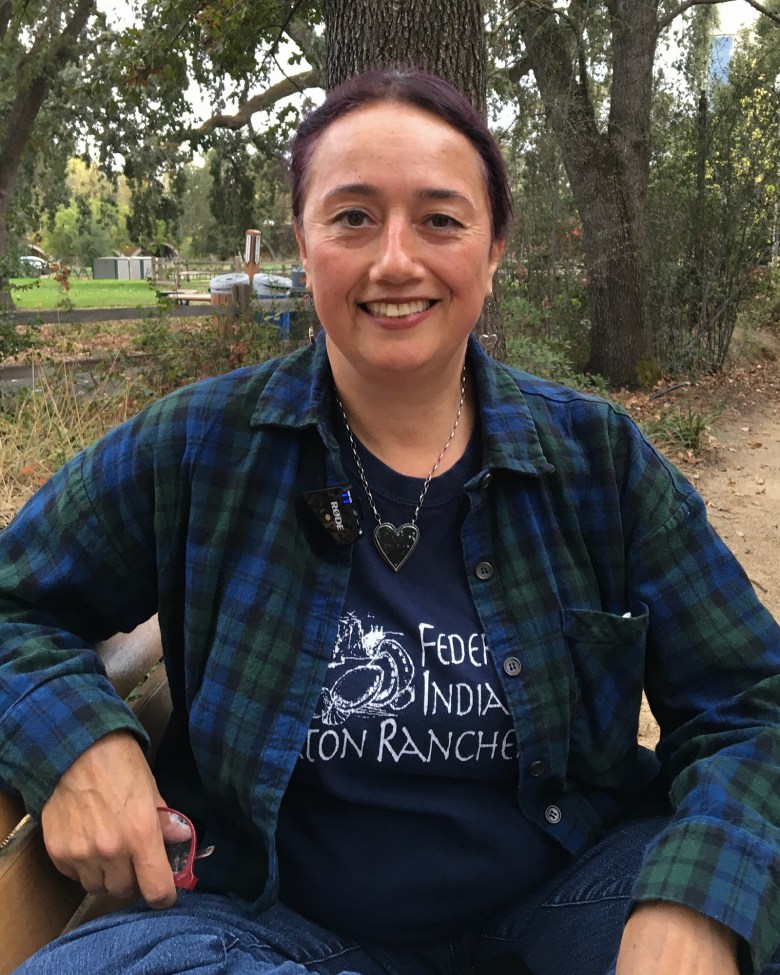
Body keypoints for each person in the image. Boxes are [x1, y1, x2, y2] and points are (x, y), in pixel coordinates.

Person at [1, 68, 779, 975]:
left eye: (441, 220)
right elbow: (13, 602)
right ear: (304, 242)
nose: (396, 260)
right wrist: (79, 741)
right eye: (353, 217)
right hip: (268, 921)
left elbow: (752, 706)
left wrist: (694, 901)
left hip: (572, 898)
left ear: (492, 254)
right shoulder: (198, 445)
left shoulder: (599, 461)